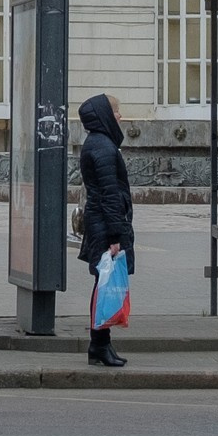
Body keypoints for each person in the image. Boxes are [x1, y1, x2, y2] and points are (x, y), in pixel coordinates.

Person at [76, 93, 133, 367]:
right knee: (104, 286)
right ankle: (99, 345)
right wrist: (115, 236)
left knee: (104, 285)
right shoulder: (104, 147)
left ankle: (101, 344)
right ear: (105, 116)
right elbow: (110, 194)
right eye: (116, 111)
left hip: (99, 222)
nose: (120, 116)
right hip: (104, 226)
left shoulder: (98, 143)